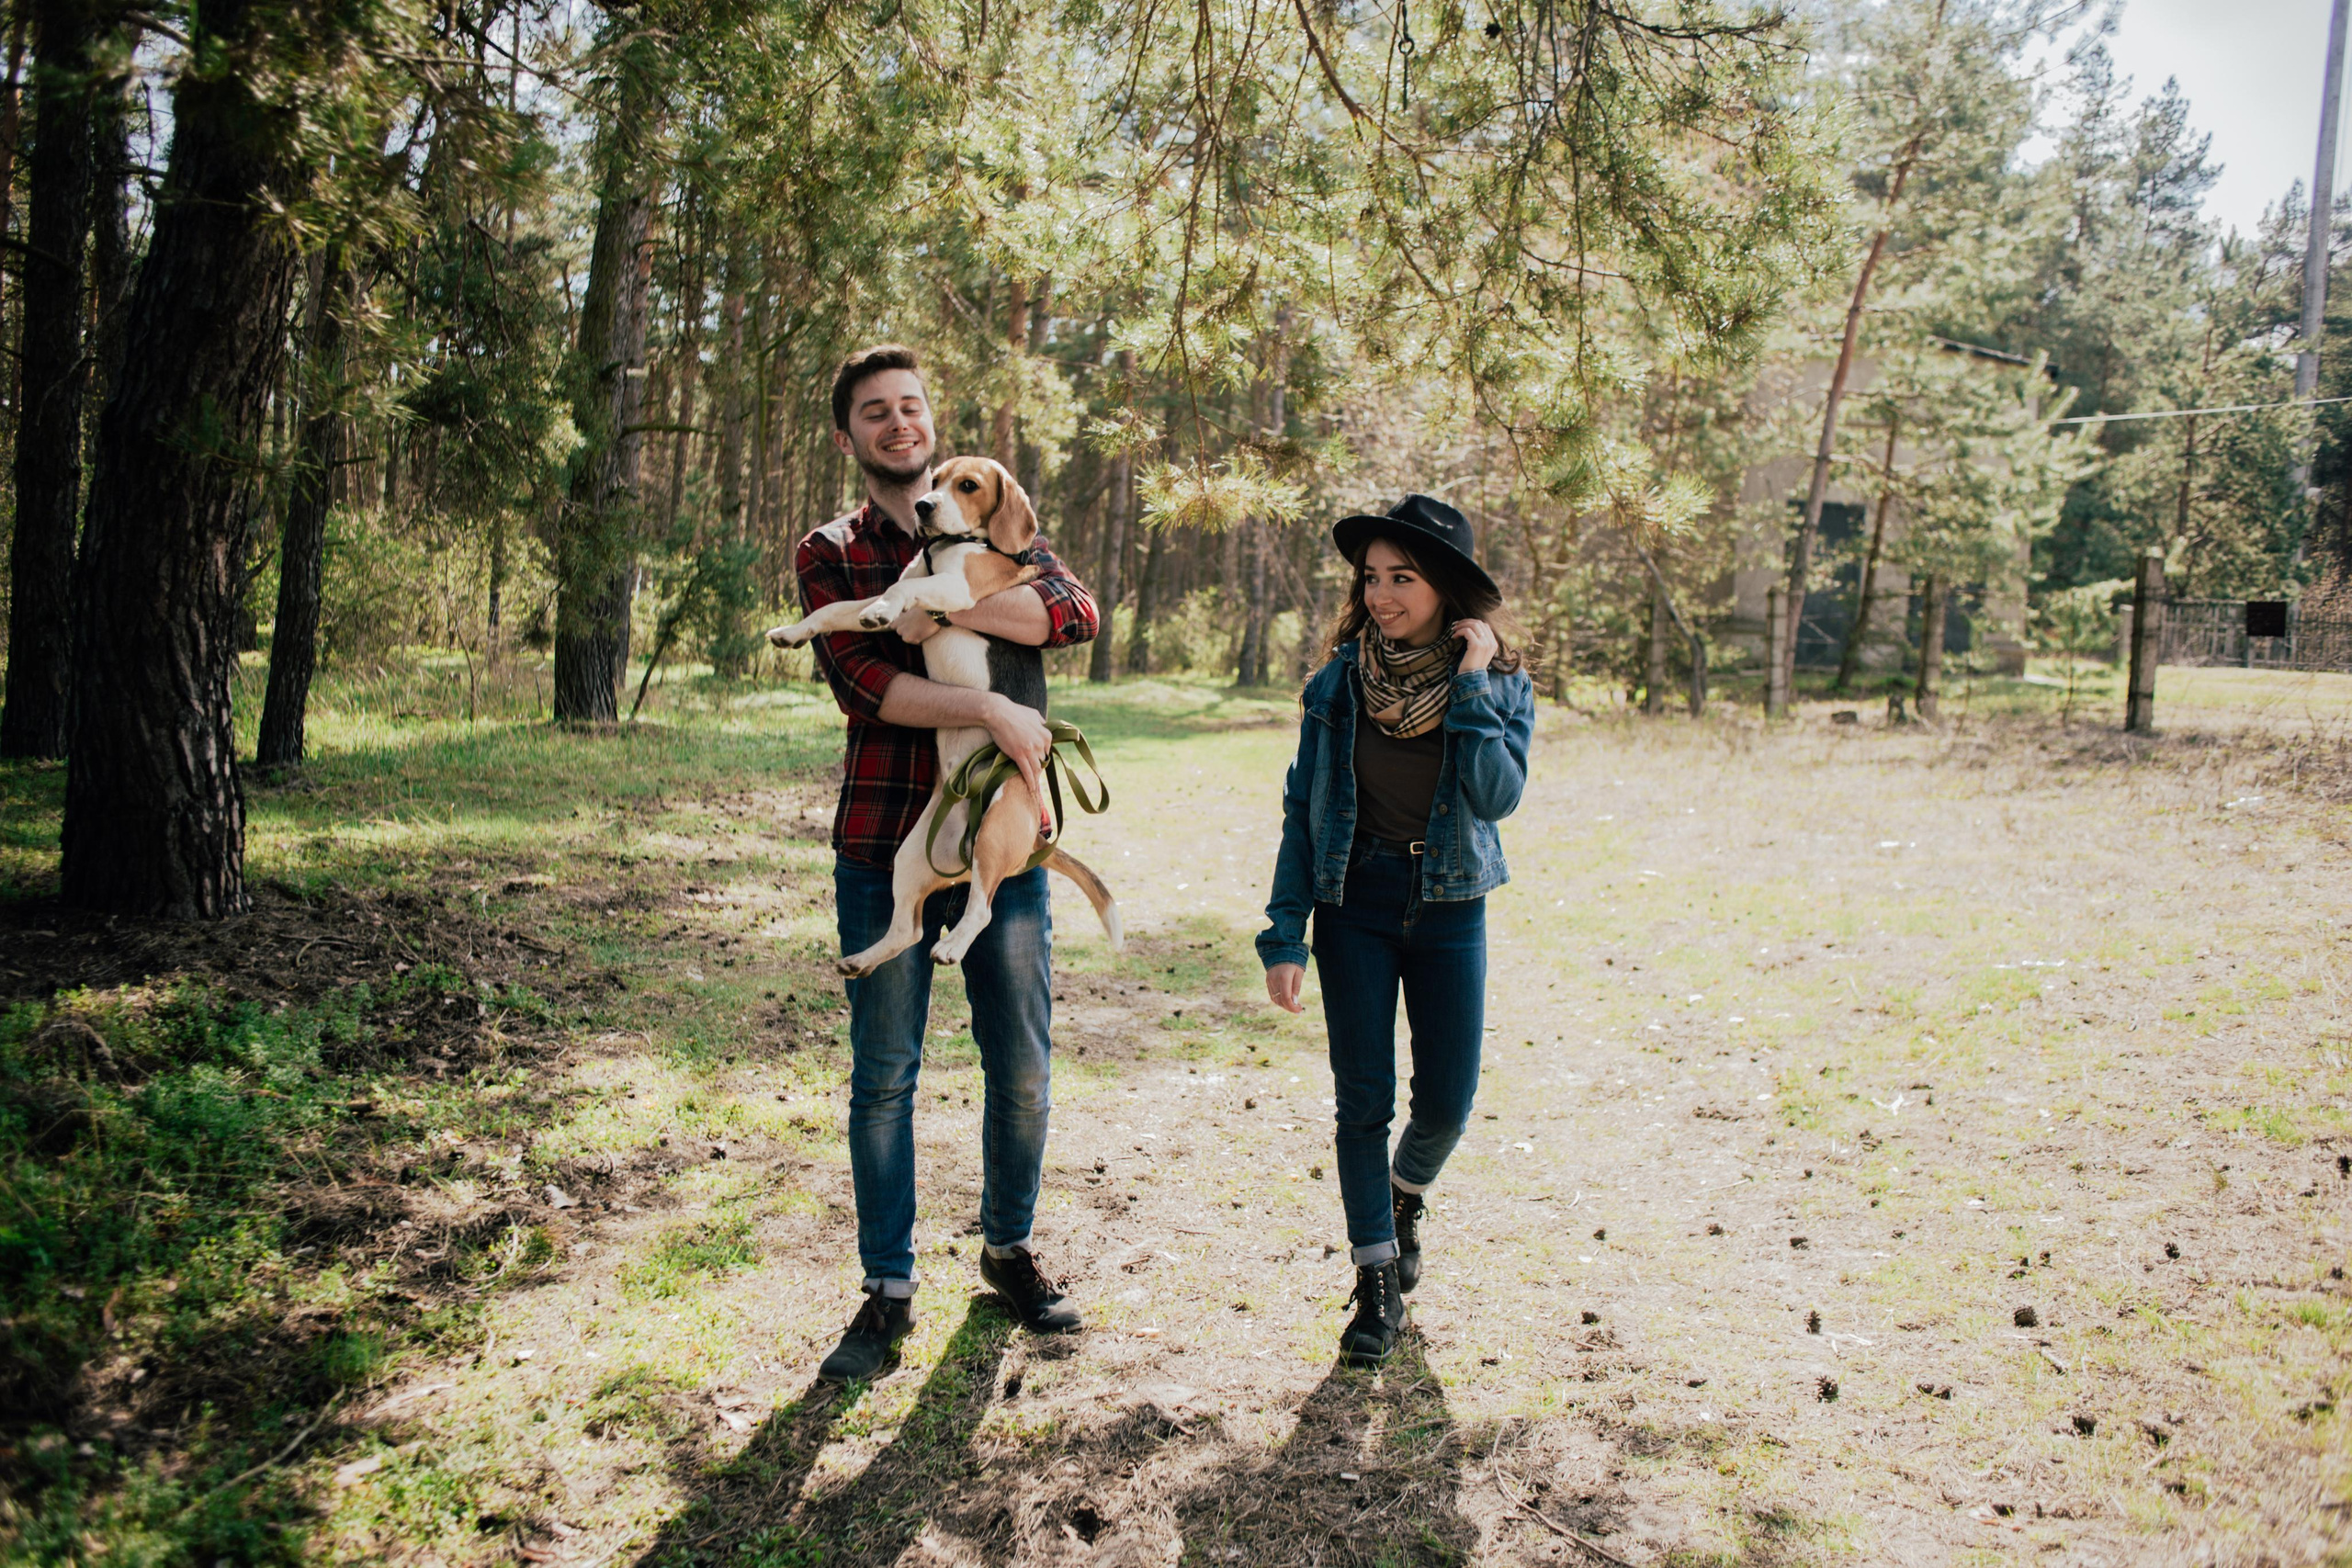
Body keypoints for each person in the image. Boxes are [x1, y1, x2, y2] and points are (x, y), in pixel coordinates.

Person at [794, 344, 1100, 1381]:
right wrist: (988, 705)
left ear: (931, 420)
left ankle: (1008, 1251)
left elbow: (1070, 613)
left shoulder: (991, 513)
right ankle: (887, 1289)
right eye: (874, 410)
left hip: (1002, 837)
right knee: (885, 1075)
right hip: (885, 832)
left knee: (1021, 1064)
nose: (899, 423)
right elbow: (869, 683)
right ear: (850, 435)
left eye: (911, 406)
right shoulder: (831, 550)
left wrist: (945, 599)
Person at [1257, 494, 1536, 1367]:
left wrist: (1472, 683)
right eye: (1371, 578)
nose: (1380, 595)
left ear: (1446, 588)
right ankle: (1376, 1278)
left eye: (1402, 578)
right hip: (1356, 902)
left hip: (1451, 906)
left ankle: (1404, 1193)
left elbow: (1497, 797)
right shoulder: (1338, 683)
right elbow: (1304, 810)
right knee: (1363, 1100)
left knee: (1447, 1101)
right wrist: (1285, 933)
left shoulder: (1501, 683)